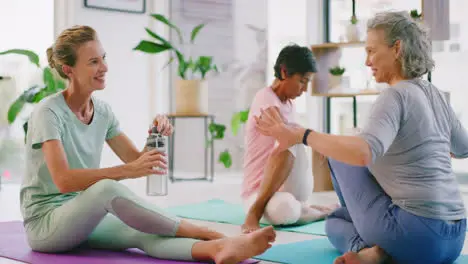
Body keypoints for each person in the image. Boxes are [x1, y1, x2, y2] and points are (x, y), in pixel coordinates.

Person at [20, 25, 276, 264]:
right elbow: (63, 180)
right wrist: (126, 173)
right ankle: (210, 234)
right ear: (69, 70)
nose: (104, 67)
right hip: (46, 225)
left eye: (104, 58)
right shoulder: (48, 112)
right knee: (106, 188)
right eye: (93, 62)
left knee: (142, 232)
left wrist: (157, 136)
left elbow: (136, 161)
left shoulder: (103, 111)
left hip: (81, 215)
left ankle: (217, 250)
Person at [253, 11, 467, 264]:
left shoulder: (394, 96)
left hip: (417, 239)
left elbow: (364, 152)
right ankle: (377, 242)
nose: (367, 62)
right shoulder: (436, 95)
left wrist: (302, 135)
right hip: (455, 238)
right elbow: (463, 148)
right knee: (337, 215)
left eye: (371, 51)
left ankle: (375, 253)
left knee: (336, 214)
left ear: (397, 48)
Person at [241, 44, 338, 234]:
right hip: (258, 192)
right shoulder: (265, 98)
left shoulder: (290, 106)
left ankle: (309, 210)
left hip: (285, 189)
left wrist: (322, 143)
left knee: (295, 137)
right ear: (284, 72)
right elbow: (286, 136)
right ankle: (256, 211)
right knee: (285, 210)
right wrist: (315, 140)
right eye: (302, 81)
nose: (305, 89)